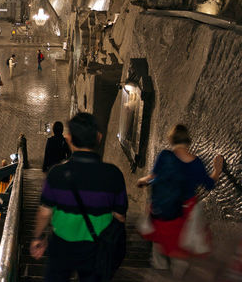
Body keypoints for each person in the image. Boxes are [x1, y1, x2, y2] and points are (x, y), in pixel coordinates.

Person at [30, 112, 128, 282]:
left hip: (61, 245)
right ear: (98, 138)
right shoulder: (114, 175)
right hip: (97, 247)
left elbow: (44, 213)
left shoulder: (57, 175)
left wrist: (39, 237)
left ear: (69, 139)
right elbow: (120, 216)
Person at [136, 125, 223, 277]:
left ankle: (159, 269)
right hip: (184, 212)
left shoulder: (164, 156)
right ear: (188, 140)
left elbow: (151, 177)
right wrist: (217, 169)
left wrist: (141, 181)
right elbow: (209, 184)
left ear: (172, 140)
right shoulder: (196, 163)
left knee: (160, 243)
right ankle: (177, 272)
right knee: (181, 248)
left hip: (163, 210)